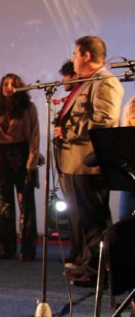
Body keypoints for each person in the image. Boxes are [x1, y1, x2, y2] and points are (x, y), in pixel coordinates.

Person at [54, 36, 123, 286]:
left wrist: (69, 131)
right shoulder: (86, 82)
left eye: (75, 54)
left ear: (86, 56)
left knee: (95, 221)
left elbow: (105, 120)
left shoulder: (105, 82)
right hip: (74, 163)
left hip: (89, 164)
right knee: (83, 221)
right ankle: (87, 265)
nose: (73, 59)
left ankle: (99, 273)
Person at [0, 73, 40, 260]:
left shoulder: (28, 108)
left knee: (26, 207)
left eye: (12, 84)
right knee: (4, 206)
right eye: (5, 84)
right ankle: (6, 247)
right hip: (2, 161)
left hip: (22, 159)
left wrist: (32, 162)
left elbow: (34, 136)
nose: (8, 87)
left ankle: (27, 249)